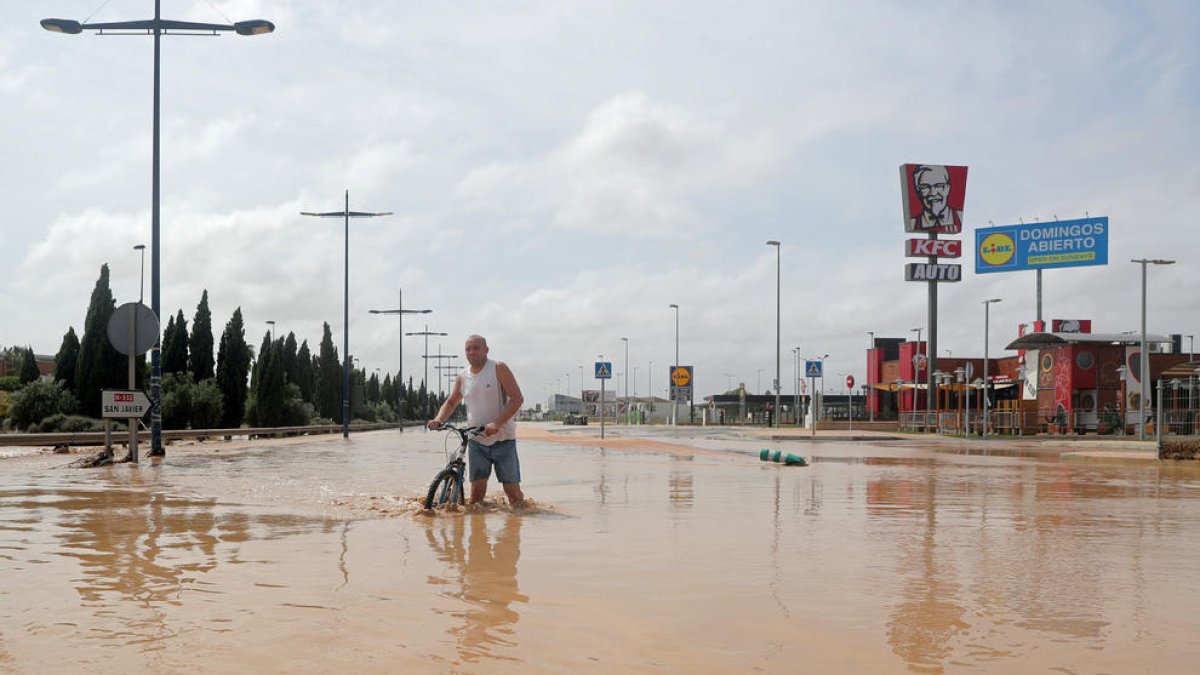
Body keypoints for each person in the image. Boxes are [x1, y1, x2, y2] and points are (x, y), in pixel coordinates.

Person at [428, 335, 526, 507]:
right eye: (468, 348)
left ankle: (516, 526)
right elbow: (451, 402)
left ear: (486, 350)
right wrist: (438, 419)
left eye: (476, 348)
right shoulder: (463, 376)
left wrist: (496, 423)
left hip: (503, 439)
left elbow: (517, 398)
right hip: (476, 440)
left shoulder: (498, 368)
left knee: (513, 494)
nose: (471, 352)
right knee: (476, 497)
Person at [908, 164, 963, 233]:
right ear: (918, 190)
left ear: (947, 188)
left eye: (939, 186)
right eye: (925, 187)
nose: (933, 193)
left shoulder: (960, 217)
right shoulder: (912, 224)